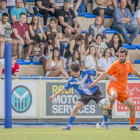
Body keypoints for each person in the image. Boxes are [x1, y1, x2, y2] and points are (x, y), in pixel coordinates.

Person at [49, 62, 117, 130]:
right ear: (72, 71)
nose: (78, 73)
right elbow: (64, 88)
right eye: (76, 72)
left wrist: (108, 76)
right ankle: (68, 126)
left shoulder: (85, 71)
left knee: (105, 104)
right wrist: (55, 95)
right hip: (84, 95)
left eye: (78, 71)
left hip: (95, 92)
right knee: (75, 107)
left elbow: (99, 73)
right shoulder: (71, 81)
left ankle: (104, 123)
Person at [89, 47, 140, 131]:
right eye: (120, 56)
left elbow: (133, 71)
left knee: (132, 106)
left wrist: (139, 76)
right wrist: (95, 81)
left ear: (126, 56)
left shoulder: (128, 64)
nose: (121, 58)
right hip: (113, 87)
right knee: (114, 95)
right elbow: (105, 73)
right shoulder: (115, 64)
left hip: (122, 91)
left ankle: (132, 126)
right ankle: (110, 108)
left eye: (122, 56)